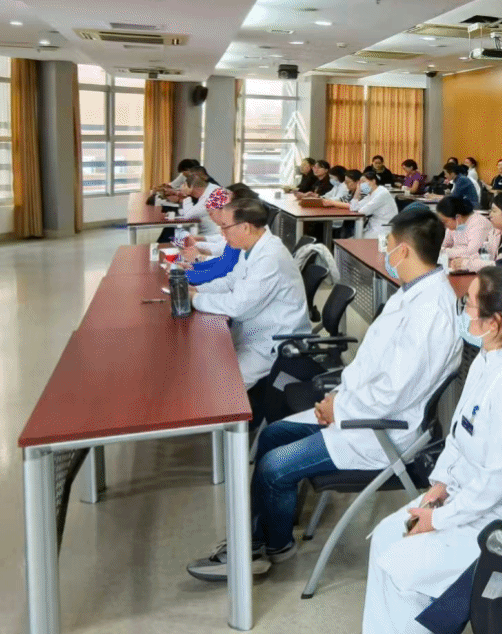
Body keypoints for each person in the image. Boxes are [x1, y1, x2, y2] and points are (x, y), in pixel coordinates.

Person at [188, 208, 463, 582]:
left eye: (388, 246)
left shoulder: (432, 311)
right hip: (357, 408)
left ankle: (271, 547)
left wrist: (340, 407)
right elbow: (372, 366)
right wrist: (335, 397)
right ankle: (255, 538)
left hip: (380, 430)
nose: (385, 252)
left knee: (273, 467)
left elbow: (395, 392)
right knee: (272, 435)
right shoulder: (413, 292)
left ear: (404, 251)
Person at [363, 268, 502, 633]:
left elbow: (499, 482)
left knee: (400, 570)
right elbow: (460, 433)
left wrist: (439, 519)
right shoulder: (491, 356)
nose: (463, 311)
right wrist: (439, 487)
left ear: (495, 322)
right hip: (473, 497)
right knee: (384, 537)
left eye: (468, 304)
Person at [192, 199, 313, 395]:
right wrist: (197, 290)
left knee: (220, 387)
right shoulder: (250, 248)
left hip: (272, 343)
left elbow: (237, 305)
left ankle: (237, 415)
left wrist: (194, 299)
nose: (222, 233)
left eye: (225, 227)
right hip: (252, 330)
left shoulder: (270, 256)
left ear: (245, 227)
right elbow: (230, 281)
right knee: (205, 358)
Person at [435, 195, 494, 272]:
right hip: (457, 265)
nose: (444, 225)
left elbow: (472, 252)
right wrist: (446, 252)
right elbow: (443, 246)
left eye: (445, 221)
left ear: (458, 217)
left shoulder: (479, 223)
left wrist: (446, 252)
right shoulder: (456, 225)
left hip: (474, 269)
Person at [343, 167, 400, 240]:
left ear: (373, 181)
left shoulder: (382, 193)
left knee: (351, 242)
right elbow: (353, 207)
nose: (361, 185)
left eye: (363, 182)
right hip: (373, 228)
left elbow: (363, 211)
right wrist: (357, 191)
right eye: (360, 183)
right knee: (349, 241)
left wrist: (359, 207)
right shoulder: (371, 194)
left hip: (383, 230)